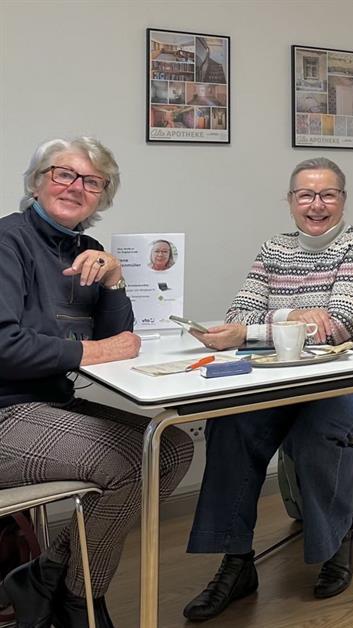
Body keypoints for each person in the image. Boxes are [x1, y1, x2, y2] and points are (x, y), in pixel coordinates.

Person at [182, 157, 353, 621]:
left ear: (343, 200)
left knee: (317, 431)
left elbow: (336, 327)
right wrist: (293, 316)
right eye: (305, 195)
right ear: (290, 201)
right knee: (230, 423)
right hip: (292, 377)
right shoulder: (273, 249)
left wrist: (260, 328)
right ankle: (236, 562)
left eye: (328, 195)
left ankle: (335, 543)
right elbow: (238, 315)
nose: (316, 204)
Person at [0, 137, 194, 628]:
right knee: (129, 463)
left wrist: (115, 279)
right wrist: (93, 351)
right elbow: (4, 345)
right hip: (6, 411)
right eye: (63, 173)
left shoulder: (88, 250)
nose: (75, 187)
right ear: (37, 182)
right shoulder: (8, 242)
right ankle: (81, 600)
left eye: (91, 181)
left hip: (50, 404)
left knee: (172, 447)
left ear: (102, 195)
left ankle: (46, 574)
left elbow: (120, 341)